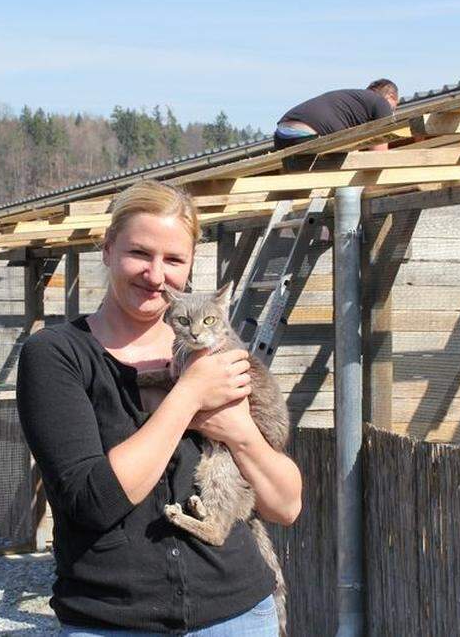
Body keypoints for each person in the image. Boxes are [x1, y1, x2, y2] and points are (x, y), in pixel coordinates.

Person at [17, 179, 303, 636]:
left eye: (173, 260)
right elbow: (92, 502)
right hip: (113, 620)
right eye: (139, 254)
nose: (155, 274)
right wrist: (188, 395)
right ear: (107, 250)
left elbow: (286, 506)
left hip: (240, 616)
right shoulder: (56, 356)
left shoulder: (218, 356)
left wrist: (238, 430)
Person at [273, 78, 399, 151]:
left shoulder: (353, 101)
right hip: (308, 134)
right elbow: (379, 153)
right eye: (395, 107)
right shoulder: (381, 102)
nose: (392, 112)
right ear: (391, 96)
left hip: (281, 136)